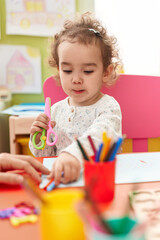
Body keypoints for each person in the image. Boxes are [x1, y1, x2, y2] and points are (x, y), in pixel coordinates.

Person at [29, 12, 122, 186]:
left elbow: (101, 135)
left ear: (106, 72)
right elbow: (47, 157)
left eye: (87, 71)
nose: (76, 79)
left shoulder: (109, 107)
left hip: (99, 182)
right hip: (63, 182)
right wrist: (38, 140)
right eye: (67, 71)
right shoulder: (56, 110)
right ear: (59, 70)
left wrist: (72, 154)